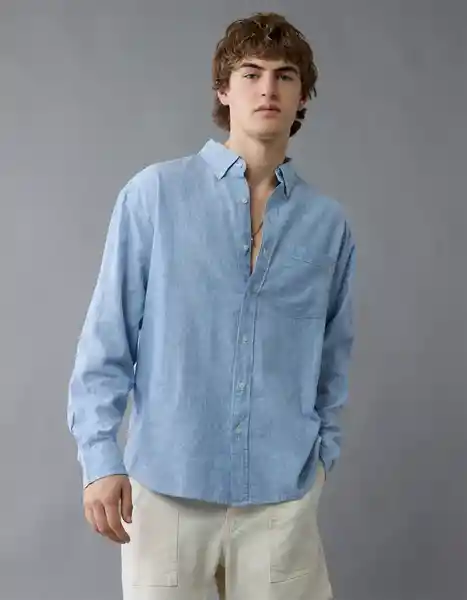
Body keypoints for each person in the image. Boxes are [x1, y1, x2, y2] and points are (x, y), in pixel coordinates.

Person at [67, 11, 356, 600]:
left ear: (302, 97)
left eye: (284, 76)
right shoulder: (154, 196)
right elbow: (107, 338)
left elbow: (334, 358)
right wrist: (100, 458)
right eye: (251, 73)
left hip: (282, 499)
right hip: (166, 494)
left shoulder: (328, 225)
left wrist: (321, 460)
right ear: (224, 90)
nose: (268, 88)